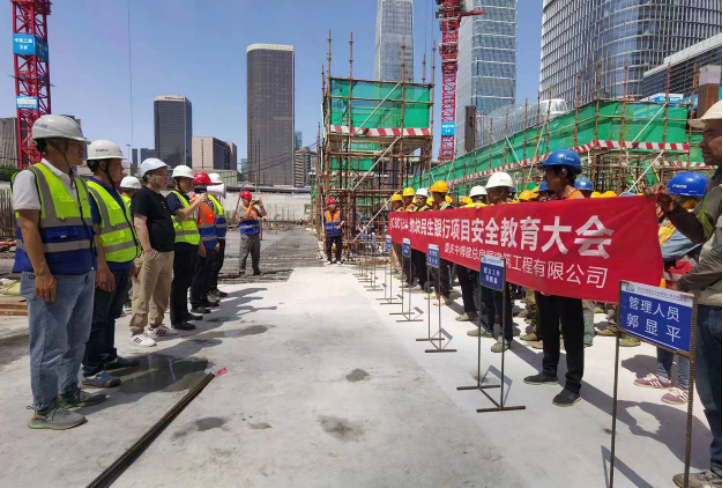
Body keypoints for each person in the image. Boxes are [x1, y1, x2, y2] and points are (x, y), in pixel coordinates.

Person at [12, 115, 106, 429]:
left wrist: (96, 267)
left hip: (82, 273)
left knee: (77, 340)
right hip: (52, 277)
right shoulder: (32, 178)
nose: (82, 150)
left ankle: (69, 390)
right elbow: (28, 226)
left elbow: (88, 230)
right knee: (48, 346)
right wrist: (42, 273)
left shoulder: (78, 181)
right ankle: (44, 408)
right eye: (75, 144)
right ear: (52, 144)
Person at [646, 100, 722, 488]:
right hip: (710, 301)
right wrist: (674, 210)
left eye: (711, 133)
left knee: (716, 392)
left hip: (716, 302)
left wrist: (684, 284)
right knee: (712, 393)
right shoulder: (717, 183)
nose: (702, 143)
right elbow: (702, 232)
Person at [635, 172, 707, 406]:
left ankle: (684, 386)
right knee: (663, 327)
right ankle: (662, 375)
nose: (670, 200)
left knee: (684, 334)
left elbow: (664, 250)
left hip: (686, 287)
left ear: (690, 199)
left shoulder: (694, 223)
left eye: (675, 196)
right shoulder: (668, 221)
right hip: (666, 283)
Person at [524, 148, 587, 408]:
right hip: (547, 274)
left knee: (571, 331)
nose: (545, 177)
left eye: (549, 172)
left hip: (569, 277)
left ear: (564, 173)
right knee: (547, 323)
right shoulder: (552, 201)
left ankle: (573, 385)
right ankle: (549, 370)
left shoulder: (579, 203)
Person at [82, 140, 142, 388]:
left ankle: (108, 357)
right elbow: (94, 234)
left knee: (110, 316)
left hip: (121, 264)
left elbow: (123, 229)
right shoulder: (92, 192)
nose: (122, 168)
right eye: (118, 164)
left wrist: (129, 261)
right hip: (106, 268)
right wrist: (102, 268)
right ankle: (92, 370)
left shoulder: (114, 192)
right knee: (96, 319)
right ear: (103, 165)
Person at [129, 158, 177, 347]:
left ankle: (156, 325)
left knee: (162, 292)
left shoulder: (160, 197)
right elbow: (139, 223)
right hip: (152, 253)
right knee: (143, 293)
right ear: (149, 177)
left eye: (167, 174)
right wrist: (147, 249)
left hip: (166, 252)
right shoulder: (142, 196)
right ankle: (136, 331)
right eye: (162, 175)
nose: (166, 178)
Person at [166, 166, 207, 329]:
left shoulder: (184, 197)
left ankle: (184, 313)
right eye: (186, 180)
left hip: (190, 245)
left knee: (186, 282)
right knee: (179, 283)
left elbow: (192, 223)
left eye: (191, 180)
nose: (190, 183)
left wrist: (199, 243)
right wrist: (198, 201)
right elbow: (183, 216)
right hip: (180, 245)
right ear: (176, 181)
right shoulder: (172, 197)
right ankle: (177, 319)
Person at [483, 172, 517, 354]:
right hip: (488, 259)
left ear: (502, 191)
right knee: (487, 295)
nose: (488, 194)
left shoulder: (514, 210)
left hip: (504, 262)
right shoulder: (489, 210)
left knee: (502, 300)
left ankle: (506, 335)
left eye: (491, 191)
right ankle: (487, 326)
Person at [190, 173, 220, 314]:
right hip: (202, 245)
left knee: (207, 273)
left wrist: (216, 241)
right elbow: (194, 226)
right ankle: (196, 303)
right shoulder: (195, 203)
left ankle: (203, 299)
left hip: (211, 244)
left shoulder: (208, 203)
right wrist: (199, 244)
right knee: (199, 275)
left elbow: (212, 223)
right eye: (208, 185)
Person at [461, 186, 487, 333]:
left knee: (467, 283)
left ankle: (470, 310)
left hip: (467, 252)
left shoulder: (464, 209)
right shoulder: (491, 209)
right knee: (483, 285)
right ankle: (487, 314)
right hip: (484, 253)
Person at [426, 181, 455, 307]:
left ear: (438, 194)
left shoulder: (448, 209)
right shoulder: (438, 208)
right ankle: (437, 291)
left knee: (441, 270)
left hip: (443, 245)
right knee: (434, 268)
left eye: (433, 194)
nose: (432, 196)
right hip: (435, 244)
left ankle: (445, 295)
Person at [208, 173, 229, 300]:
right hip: (216, 239)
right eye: (216, 185)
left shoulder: (215, 200)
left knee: (218, 264)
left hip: (220, 237)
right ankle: (210, 289)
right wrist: (215, 239)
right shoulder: (210, 201)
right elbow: (210, 222)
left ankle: (213, 288)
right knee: (214, 265)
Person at [237, 190, 267, 276]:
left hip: (255, 235)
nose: (250, 201)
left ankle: (256, 269)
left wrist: (261, 207)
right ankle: (241, 271)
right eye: (248, 200)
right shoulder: (240, 209)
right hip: (246, 235)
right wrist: (250, 206)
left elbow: (264, 214)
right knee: (244, 254)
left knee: (256, 254)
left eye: (251, 200)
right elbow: (245, 217)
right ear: (243, 200)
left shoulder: (254, 209)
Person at [411, 188, 430, 292]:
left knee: (421, 262)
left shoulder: (427, 210)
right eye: (417, 198)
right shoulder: (415, 209)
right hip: (415, 240)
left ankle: (422, 282)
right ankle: (419, 279)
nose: (418, 200)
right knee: (416, 261)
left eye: (421, 199)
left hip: (422, 241)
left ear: (425, 199)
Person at [400, 188, 417, 287]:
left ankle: (410, 280)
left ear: (411, 198)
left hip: (411, 239)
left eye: (405, 198)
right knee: (406, 259)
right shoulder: (406, 208)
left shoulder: (413, 208)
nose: (403, 200)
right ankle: (408, 278)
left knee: (409, 260)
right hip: (406, 238)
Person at [325, 198, 345, 264]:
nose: (333, 205)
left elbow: (343, 220)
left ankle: (338, 259)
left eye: (334, 204)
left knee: (338, 247)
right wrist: (324, 232)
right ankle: (329, 259)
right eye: (332, 204)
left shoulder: (338, 212)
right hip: (329, 233)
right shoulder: (325, 213)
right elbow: (324, 224)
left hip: (338, 233)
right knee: (328, 247)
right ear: (328, 205)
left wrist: (340, 225)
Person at [390, 193, 405, 275]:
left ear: (399, 202)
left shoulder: (401, 211)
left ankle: (401, 271)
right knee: (395, 254)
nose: (393, 204)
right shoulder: (396, 211)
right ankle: (398, 269)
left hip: (399, 237)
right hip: (395, 236)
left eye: (395, 203)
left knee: (399, 254)